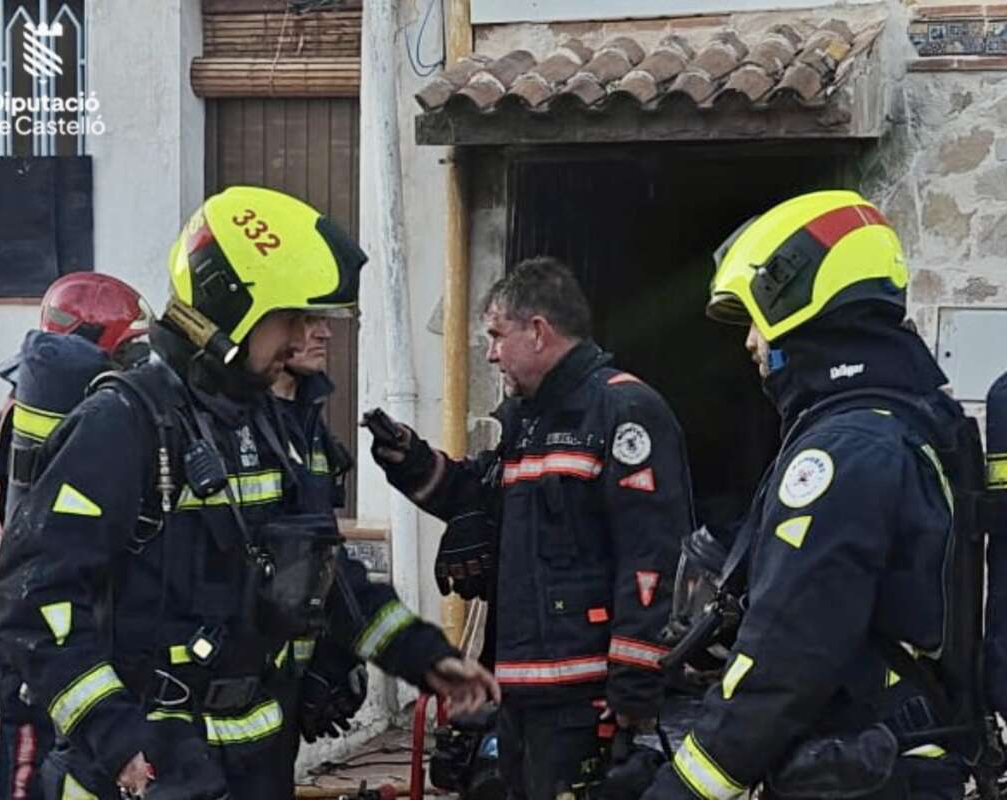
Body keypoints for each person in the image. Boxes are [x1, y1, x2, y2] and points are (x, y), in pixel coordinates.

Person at [0, 186, 499, 800]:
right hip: (147, 771)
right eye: (293, 317)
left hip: (253, 759)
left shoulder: (263, 423)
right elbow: (35, 598)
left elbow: (325, 575)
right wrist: (117, 737)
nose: (306, 337)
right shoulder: (123, 425)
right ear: (230, 311)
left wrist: (423, 657)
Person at [643, 190, 977, 800]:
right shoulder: (904, 420)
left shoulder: (844, 451)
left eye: (754, 320)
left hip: (866, 768)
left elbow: (788, 651)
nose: (749, 344)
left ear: (796, 301)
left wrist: (685, 786)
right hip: (901, 757)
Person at [368, 257, 695, 800]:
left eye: (497, 335)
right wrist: (412, 461)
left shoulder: (624, 409)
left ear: (538, 330)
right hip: (519, 696)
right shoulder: (528, 420)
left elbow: (653, 557)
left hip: (584, 699)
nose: (491, 352)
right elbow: (481, 495)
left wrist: (635, 686)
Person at [0, 271, 153, 800]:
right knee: (28, 763)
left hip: (31, 609)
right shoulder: (54, 415)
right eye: (128, 352)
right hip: (27, 618)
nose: (138, 366)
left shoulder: (46, 405)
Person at [269, 312, 369, 776]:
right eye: (306, 320)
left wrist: (336, 650)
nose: (325, 333)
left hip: (290, 680)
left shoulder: (309, 421)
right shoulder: (235, 425)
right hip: (239, 684)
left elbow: (323, 552)